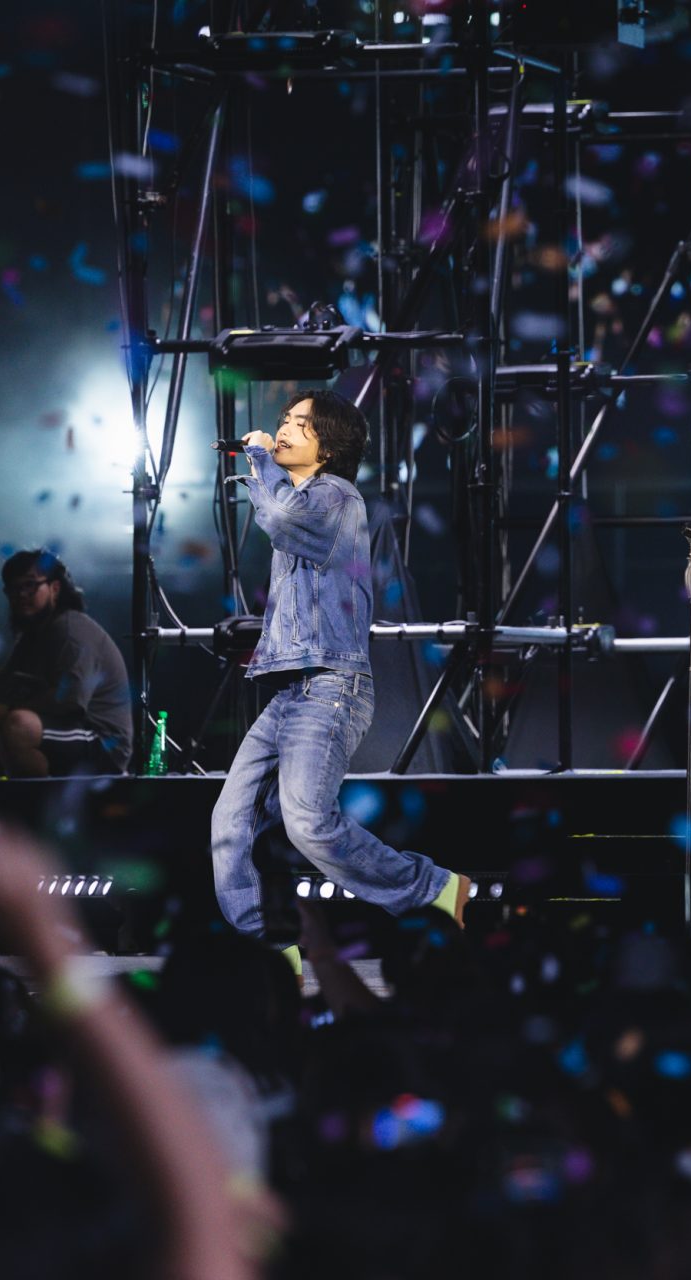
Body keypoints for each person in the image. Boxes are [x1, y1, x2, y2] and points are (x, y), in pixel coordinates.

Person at [209, 389, 469, 962]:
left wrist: (258, 459)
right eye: (283, 420)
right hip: (291, 690)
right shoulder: (302, 497)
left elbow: (278, 520)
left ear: (328, 446)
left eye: (300, 423)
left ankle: (432, 887)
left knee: (307, 821)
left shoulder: (335, 496)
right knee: (231, 820)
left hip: (330, 688)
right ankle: (266, 949)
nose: (282, 428)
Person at [0, 550, 132, 779]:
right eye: (13, 589)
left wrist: (7, 711)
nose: (21, 595)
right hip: (69, 731)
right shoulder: (34, 636)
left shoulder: (69, 631)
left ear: (54, 588)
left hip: (104, 742)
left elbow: (72, 699)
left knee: (18, 725)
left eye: (30, 585)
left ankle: (34, 801)